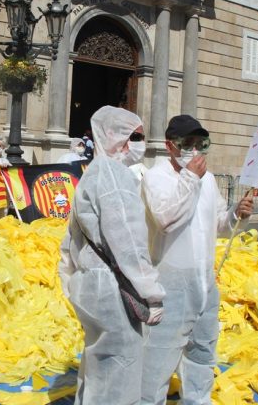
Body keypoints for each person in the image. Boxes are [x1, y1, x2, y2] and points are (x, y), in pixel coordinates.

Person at [140, 115, 254, 405]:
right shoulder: (156, 177)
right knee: (159, 359)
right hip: (170, 285)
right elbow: (165, 219)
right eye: (187, 144)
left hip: (204, 284)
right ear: (170, 146)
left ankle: (198, 400)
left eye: (200, 144)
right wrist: (189, 178)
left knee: (202, 354)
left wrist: (236, 214)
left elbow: (217, 223)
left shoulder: (209, 179)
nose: (195, 151)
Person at [59, 105, 165, 405]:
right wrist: (151, 293)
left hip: (91, 285)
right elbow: (128, 241)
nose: (142, 143)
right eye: (138, 136)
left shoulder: (93, 172)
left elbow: (70, 242)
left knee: (98, 367)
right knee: (119, 371)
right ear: (118, 138)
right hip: (110, 290)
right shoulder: (115, 175)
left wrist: (70, 279)